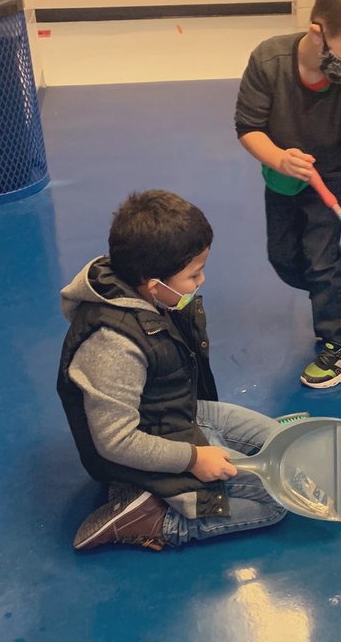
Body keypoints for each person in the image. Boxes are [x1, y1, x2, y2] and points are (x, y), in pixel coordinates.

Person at [56, 190, 287, 553]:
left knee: (279, 444)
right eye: (194, 274)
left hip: (175, 414)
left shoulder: (150, 293)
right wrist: (194, 458)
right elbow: (115, 442)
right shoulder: (113, 346)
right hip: (135, 451)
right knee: (274, 502)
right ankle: (150, 518)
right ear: (153, 284)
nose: (202, 281)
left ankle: (156, 491)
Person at [235, 0, 341, 390]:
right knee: (284, 260)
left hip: (327, 184)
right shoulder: (268, 61)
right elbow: (248, 126)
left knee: (322, 262)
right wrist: (279, 159)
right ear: (317, 31)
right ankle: (335, 296)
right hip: (281, 178)